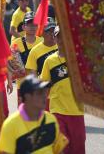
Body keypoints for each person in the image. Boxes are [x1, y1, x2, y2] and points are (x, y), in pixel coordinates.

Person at [40, 26, 85, 154]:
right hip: (57, 111)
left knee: (78, 148)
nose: (62, 39)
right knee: (61, 148)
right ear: (54, 38)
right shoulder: (49, 61)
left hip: (77, 111)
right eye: (58, 36)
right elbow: (44, 86)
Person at [0, 75, 68, 154]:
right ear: (27, 97)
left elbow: (59, 151)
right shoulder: (10, 125)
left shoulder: (51, 119)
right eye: (39, 93)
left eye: (44, 92)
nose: (45, 96)